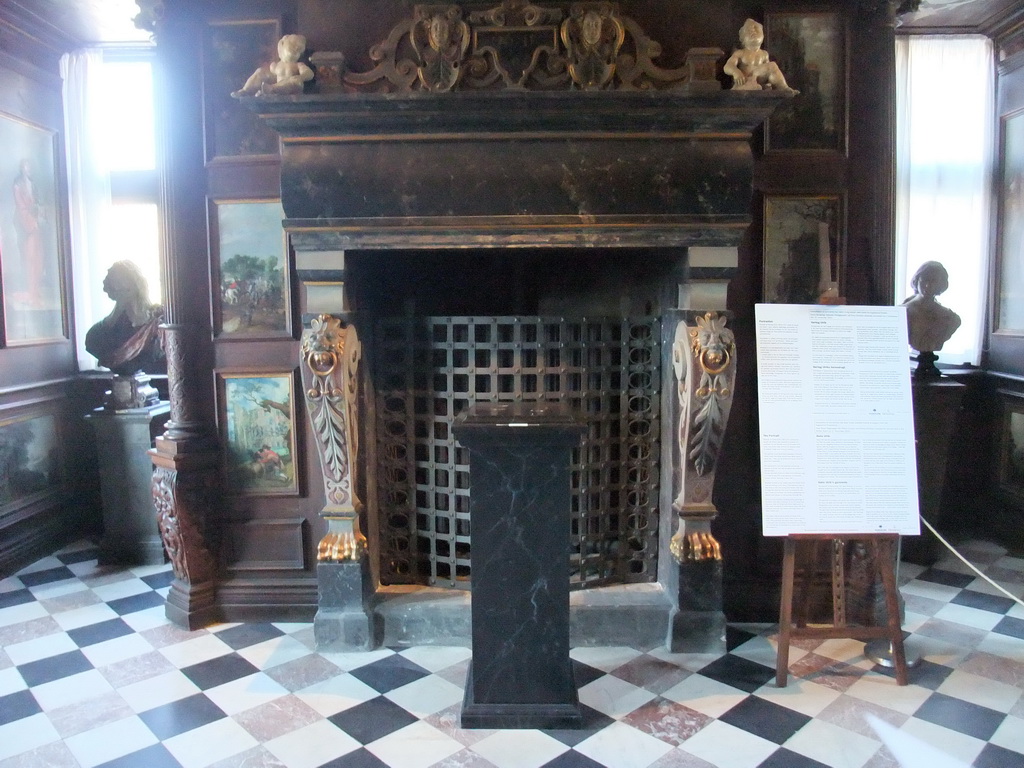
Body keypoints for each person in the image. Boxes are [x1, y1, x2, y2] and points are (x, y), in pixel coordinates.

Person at [85, 260, 166, 376]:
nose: (117, 290)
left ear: (132, 285)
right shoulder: (97, 334)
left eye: (118, 284)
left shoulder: (156, 323)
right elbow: (93, 343)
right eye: (113, 285)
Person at [723, 19, 799, 94]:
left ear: (763, 36)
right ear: (743, 38)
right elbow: (727, 66)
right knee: (772, 66)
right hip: (746, 80)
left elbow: (771, 71)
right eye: (749, 30)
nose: (753, 31)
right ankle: (754, 86)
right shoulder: (740, 53)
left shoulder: (764, 54)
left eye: (756, 29)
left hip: (759, 80)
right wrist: (736, 72)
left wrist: (768, 82)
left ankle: (784, 88)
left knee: (772, 66)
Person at [902, 260, 961, 353]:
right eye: (924, 280)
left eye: (934, 281)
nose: (927, 285)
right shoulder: (902, 312)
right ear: (917, 280)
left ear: (941, 284)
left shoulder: (951, 318)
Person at [232, 34, 314, 97]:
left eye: (299, 49)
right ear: (282, 46)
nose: (295, 50)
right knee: (260, 71)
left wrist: (301, 77)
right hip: (278, 86)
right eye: (293, 46)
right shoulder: (276, 65)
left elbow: (309, 73)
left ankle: (271, 89)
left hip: (292, 90)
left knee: (295, 81)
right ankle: (246, 90)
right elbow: (269, 74)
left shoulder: (298, 65)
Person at [13, 158, 45, 304]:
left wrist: (38, 216)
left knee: (37, 257)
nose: (29, 168)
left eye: (30, 165)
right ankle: (30, 290)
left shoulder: (34, 185)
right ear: (22, 168)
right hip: (26, 225)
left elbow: (38, 203)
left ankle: (34, 290)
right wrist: (31, 223)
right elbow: (21, 207)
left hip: (35, 224)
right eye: (26, 165)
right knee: (29, 257)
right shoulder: (18, 185)